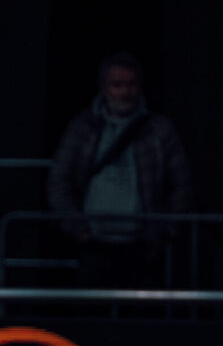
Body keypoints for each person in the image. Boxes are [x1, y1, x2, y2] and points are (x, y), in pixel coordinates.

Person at [46, 52, 193, 288]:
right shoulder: (83, 128)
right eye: (117, 85)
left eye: (131, 84)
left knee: (138, 306)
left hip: (142, 243)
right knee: (94, 305)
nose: (125, 92)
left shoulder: (159, 130)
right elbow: (59, 180)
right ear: (104, 88)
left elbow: (181, 183)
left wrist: (166, 229)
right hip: (93, 241)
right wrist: (76, 225)